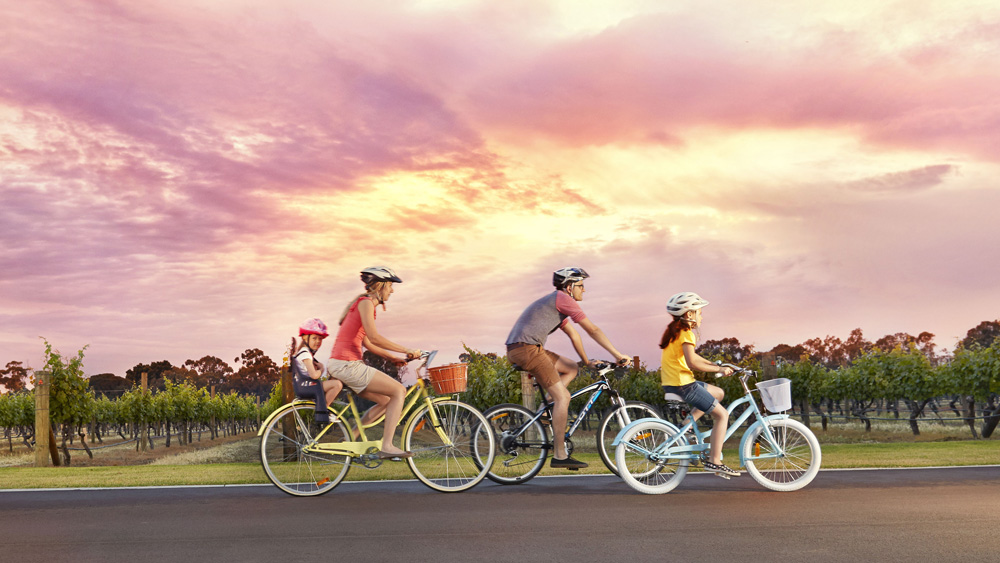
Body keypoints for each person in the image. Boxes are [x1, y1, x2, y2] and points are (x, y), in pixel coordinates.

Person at [505, 267, 632, 469]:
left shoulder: (557, 304)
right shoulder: (563, 299)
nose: (584, 290)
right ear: (570, 287)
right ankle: (560, 454)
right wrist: (617, 355)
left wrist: (586, 361)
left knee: (572, 367)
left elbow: (575, 335)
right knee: (562, 397)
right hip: (527, 349)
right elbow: (592, 329)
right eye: (581, 286)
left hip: (524, 348)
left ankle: (545, 410)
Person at [327, 266, 422, 460]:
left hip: (342, 364)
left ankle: (349, 440)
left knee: (387, 401)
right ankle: (387, 446)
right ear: (381, 285)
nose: (392, 291)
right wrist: (407, 350)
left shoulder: (364, 305)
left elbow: (367, 343)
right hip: (347, 365)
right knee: (399, 391)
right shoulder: (366, 303)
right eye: (390, 286)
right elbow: (375, 337)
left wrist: (392, 358)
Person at [660, 292, 739, 477]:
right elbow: (692, 363)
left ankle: (687, 424)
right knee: (722, 415)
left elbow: (693, 357)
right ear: (689, 314)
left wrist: (716, 365)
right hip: (684, 385)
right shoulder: (686, 332)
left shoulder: (674, 330)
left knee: (718, 393)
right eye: (699, 312)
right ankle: (715, 461)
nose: (701, 316)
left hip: (676, 383)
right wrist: (719, 371)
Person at [291, 318, 344, 424]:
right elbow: (314, 375)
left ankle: (323, 408)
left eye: (320, 339)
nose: (318, 342)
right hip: (306, 387)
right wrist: (321, 368)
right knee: (337, 385)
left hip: (305, 385)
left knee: (334, 380)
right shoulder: (305, 354)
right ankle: (324, 412)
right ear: (305, 338)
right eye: (314, 338)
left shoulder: (304, 353)